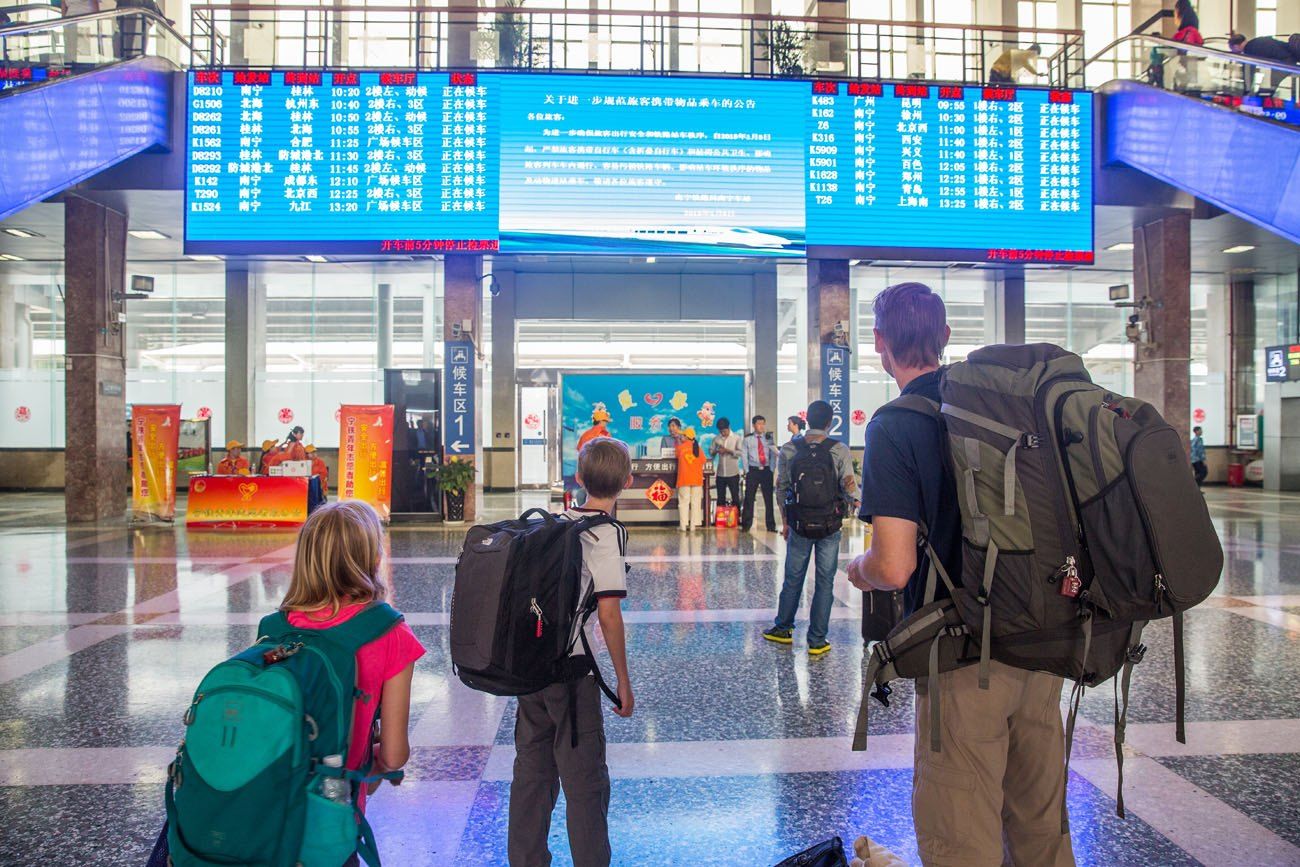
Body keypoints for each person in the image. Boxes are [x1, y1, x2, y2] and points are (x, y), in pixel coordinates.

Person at [845, 282, 1075, 866]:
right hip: (1042, 644)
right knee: (1041, 831)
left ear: (879, 344)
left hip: (964, 656)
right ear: (946, 338)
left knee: (960, 840)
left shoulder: (894, 425)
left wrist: (859, 570)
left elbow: (894, 566)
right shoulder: (999, 407)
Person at [510, 437, 635, 867]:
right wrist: (621, 679)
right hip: (573, 673)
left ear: (578, 478)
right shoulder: (606, 534)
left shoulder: (555, 523)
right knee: (585, 783)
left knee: (531, 774)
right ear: (627, 482)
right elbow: (609, 615)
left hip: (532, 670)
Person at [280, 501, 426, 818]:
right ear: (374, 560)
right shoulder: (391, 635)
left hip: (268, 799)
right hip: (332, 813)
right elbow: (394, 754)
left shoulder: (279, 627)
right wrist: (371, 764)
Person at [762, 400, 856, 656]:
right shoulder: (839, 449)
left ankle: (782, 629)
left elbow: (781, 488)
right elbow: (849, 487)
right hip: (830, 524)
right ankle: (817, 640)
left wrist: (785, 522)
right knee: (825, 581)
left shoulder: (791, 448)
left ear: (807, 420)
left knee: (794, 577)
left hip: (800, 523)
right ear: (829, 422)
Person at [740, 415, 777, 532]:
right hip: (753, 471)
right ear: (754, 425)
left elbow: (772, 454)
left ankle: (770, 526)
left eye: (763, 423)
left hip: (766, 471)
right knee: (749, 498)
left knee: (768, 499)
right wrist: (747, 471)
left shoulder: (768, 437)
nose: (761, 426)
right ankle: (746, 525)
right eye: (759, 423)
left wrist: (771, 469)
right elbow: (744, 456)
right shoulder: (747, 439)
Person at [1229, 33, 1300, 91]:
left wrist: (1247, 91)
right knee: (1269, 84)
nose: (1233, 51)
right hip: (1290, 59)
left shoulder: (1248, 52)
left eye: (1232, 49)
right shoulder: (1256, 41)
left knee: (1269, 87)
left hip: (1285, 62)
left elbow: (1248, 73)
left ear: (1235, 46)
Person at [675, 426, 706, 532]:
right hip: (697, 480)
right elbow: (703, 460)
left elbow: (677, 455)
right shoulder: (699, 449)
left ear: (686, 437)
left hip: (684, 479)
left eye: (682, 435)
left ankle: (683, 526)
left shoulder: (680, 448)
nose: (680, 436)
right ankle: (693, 526)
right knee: (695, 503)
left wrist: (679, 442)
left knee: (684, 503)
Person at [709, 417, 742, 510]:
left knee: (735, 497)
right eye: (721, 431)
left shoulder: (736, 438)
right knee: (720, 498)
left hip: (733, 473)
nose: (722, 433)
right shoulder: (716, 439)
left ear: (729, 427)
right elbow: (711, 453)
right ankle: (721, 519)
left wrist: (728, 451)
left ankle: (737, 518)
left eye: (724, 431)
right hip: (720, 473)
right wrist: (716, 451)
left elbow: (741, 453)